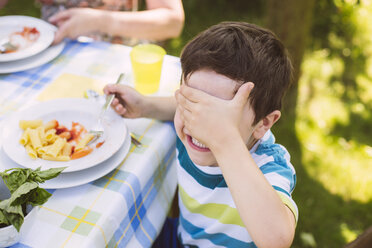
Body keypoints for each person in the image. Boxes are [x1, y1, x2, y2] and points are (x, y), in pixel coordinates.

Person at [104, 21, 298, 248]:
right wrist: (146, 106)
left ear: (263, 123)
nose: (200, 123)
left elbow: (277, 240)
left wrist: (225, 141)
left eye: (217, 118)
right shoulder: (190, 125)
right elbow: (181, 108)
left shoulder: (269, 166)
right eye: (192, 103)